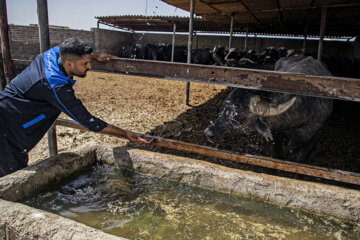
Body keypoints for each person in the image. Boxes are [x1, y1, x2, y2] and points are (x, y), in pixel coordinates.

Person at [0, 37, 147, 177]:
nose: (89, 66)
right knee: (12, 175)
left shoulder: (53, 53)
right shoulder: (57, 87)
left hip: (10, 109)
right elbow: (88, 121)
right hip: (9, 129)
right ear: (69, 64)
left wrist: (95, 55)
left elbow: (67, 49)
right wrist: (124, 133)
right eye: (85, 63)